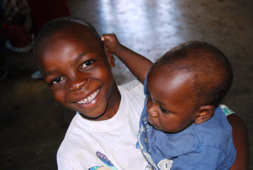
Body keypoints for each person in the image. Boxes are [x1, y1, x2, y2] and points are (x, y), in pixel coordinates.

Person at [33, 17, 248, 170]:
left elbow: (233, 122)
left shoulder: (156, 96)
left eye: (86, 63)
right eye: (57, 79)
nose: (76, 84)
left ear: (108, 57)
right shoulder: (73, 156)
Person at [101, 34, 243, 169]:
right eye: (150, 95)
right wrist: (119, 49)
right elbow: (146, 73)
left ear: (201, 115)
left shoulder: (200, 150)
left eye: (164, 109)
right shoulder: (168, 95)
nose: (151, 109)